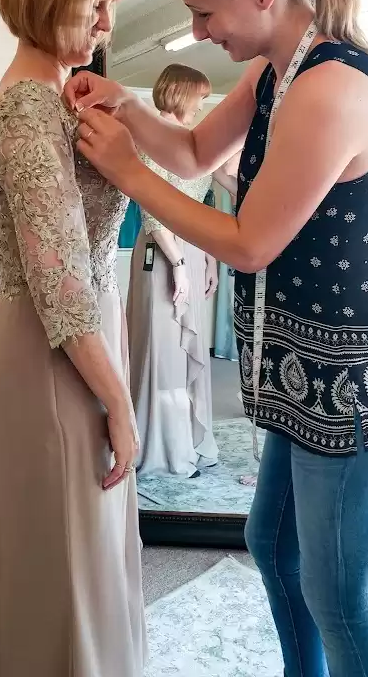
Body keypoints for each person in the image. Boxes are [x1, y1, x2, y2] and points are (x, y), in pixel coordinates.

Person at [66, 0, 368, 677]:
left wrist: (126, 171)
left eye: (202, 12)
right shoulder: (275, 71)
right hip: (296, 375)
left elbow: (251, 243)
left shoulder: (331, 90)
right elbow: (191, 153)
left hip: (346, 389)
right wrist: (127, 107)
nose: (196, 32)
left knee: (340, 598)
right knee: (273, 546)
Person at [0, 0, 146, 677]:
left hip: (59, 343)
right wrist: (120, 404)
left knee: (63, 554)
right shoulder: (30, 111)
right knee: (61, 564)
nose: (108, 24)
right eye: (96, 4)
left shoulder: (49, 100)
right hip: (53, 353)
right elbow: (60, 285)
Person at [129, 64, 226, 479]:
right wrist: (181, 265)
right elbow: (152, 212)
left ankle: (188, 439)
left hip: (190, 249)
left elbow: (203, 201)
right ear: (182, 93)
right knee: (165, 349)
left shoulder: (190, 140)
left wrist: (209, 258)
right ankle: (162, 447)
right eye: (199, 97)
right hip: (163, 252)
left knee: (188, 349)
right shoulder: (153, 136)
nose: (202, 105)